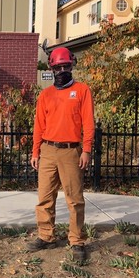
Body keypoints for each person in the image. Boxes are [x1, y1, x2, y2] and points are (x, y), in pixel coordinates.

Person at [27, 47, 94, 262]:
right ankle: (46, 236)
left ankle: (77, 240)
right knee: (45, 198)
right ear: (52, 68)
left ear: (72, 66)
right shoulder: (45, 95)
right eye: (58, 67)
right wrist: (35, 151)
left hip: (71, 151)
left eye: (66, 66)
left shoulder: (82, 91)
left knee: (74, 200)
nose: (62, 70)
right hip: (47, 150)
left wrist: (86, 150)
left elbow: (88, 123)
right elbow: (39, 125)